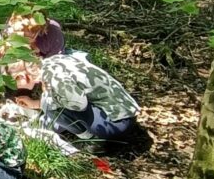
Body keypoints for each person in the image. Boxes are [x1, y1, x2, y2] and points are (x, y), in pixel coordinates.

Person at [12, 52, 140, 142]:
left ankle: (91, 140)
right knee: (49, 101)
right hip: (126, 109)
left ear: (22, 76)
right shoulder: (52, 62)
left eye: (14, 83)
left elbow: (79, 104)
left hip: (116, 123)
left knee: (50, 107)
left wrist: (42, 102)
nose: (16, 87)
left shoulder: (54, 79)